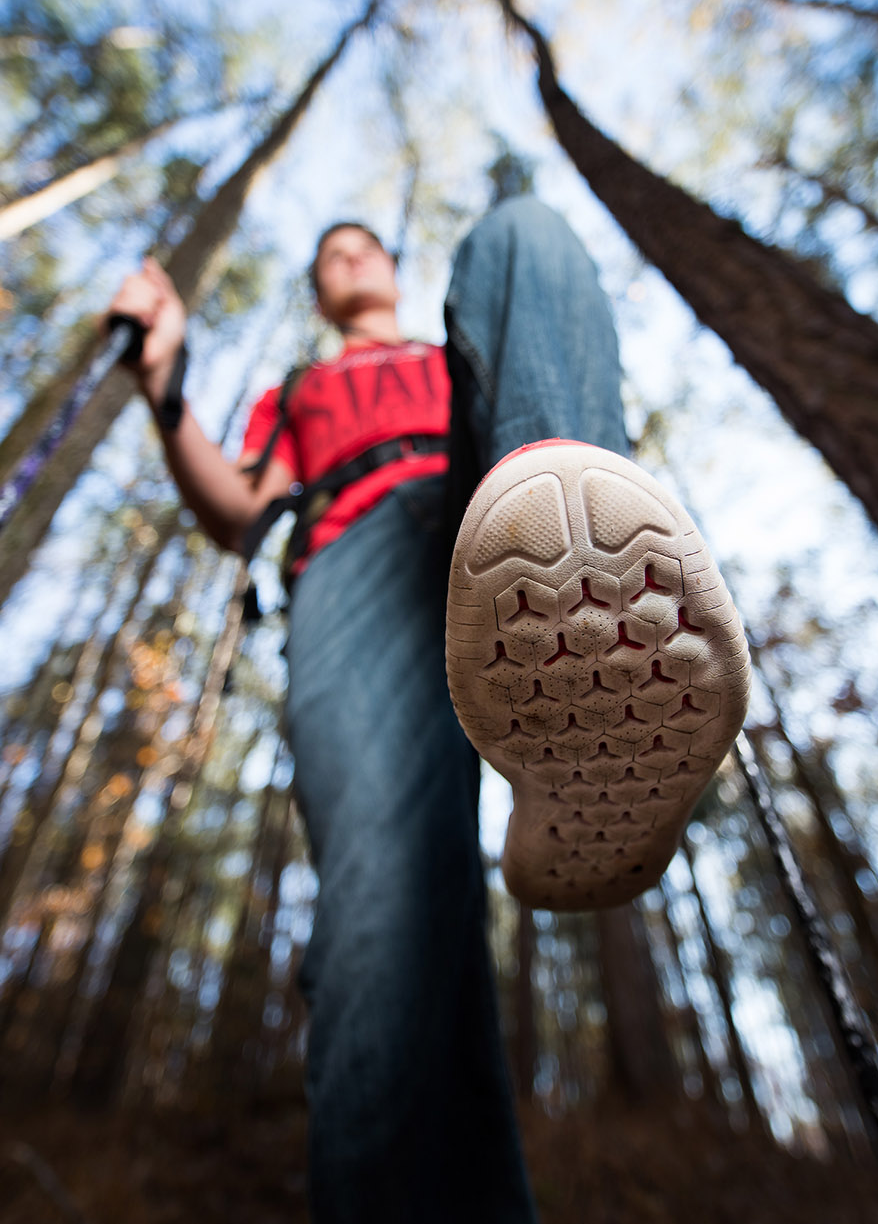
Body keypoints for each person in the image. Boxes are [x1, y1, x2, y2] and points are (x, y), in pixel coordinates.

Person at [106, 197, 749, 1223]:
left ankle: (582, 565)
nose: (345, 253)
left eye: (359, 242)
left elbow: (523, 304)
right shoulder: (303, 385)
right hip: (350, 553)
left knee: (521, 234)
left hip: (481, 505)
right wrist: (165, 382)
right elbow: (240, 510)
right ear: (321, 294)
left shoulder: (452, 345)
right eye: (327, 252)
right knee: (393, 894)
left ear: (395, 270)